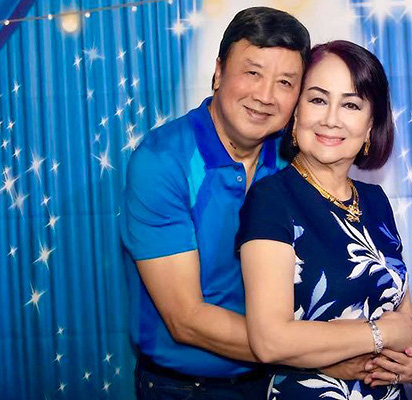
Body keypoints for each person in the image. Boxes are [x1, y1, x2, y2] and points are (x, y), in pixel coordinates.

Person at [120, 7, 310, 399]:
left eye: (285, 82)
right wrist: (320, 355)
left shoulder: (296, 158)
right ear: (219, 71)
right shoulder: (162, 161)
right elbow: (186, 320)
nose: (265, 96)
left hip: (280, 379)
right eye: (252, 73)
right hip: (185, 388)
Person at [237, 40, 412, 399]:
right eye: (317, 100)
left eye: (351, 105)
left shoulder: (375, 201)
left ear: (371, 124)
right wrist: (379, 334)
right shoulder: (271, 200)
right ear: (296, 114)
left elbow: (405, 321)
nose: (331, 119)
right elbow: (269, 340)